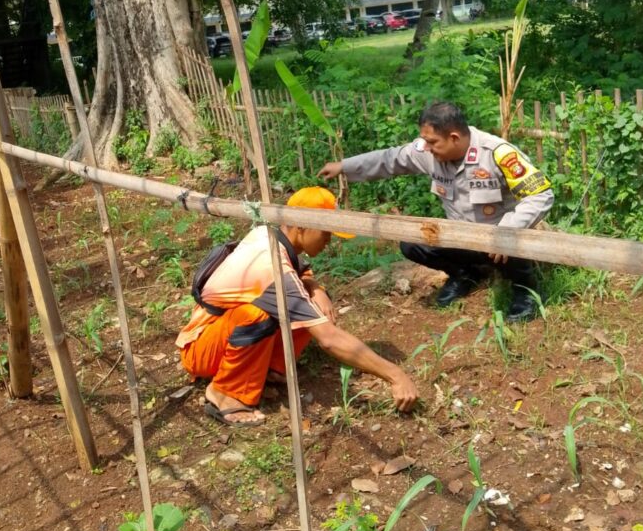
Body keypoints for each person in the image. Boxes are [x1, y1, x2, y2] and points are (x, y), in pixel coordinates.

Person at [175, 186, 418, 426]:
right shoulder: (273, 268)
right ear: (302, 226)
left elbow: (300, 273)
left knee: (309, 301)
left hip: (216, 334)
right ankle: (225, 393)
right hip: (200, 349)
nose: (329, 241)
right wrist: (395, 375)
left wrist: (317, 288)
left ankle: (268, 370)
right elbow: (328, 339)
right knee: (258, 314)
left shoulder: (268, 235)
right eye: (326, 233)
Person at [319, 101, 554, 322]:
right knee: (412, 244)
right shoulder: (427, 151)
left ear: (453, 137)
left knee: (512, 238)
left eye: (432, 142)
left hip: (500, 242)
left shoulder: (497, 153)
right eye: (426, 141)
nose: (427, 148)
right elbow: (389, 159)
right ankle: (466, 275)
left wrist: (509, 230)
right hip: (460, 237)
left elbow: (541, 194)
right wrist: (344, 166)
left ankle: (525, 289)